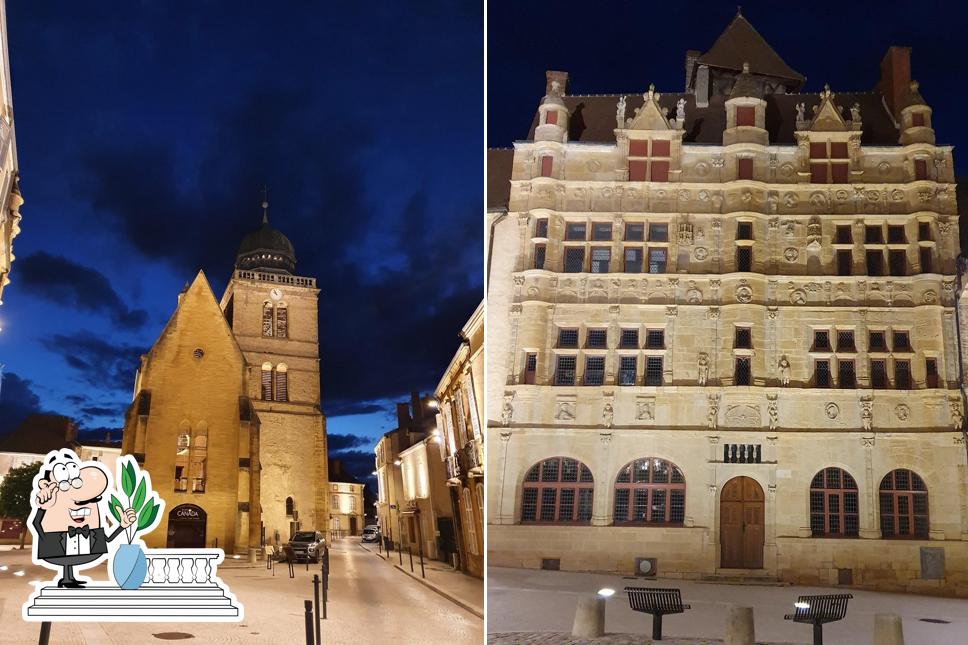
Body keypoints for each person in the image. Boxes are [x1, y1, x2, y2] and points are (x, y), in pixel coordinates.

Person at [30, 450, 137, 588]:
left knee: (70, 558)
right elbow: (35, 522)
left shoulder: (92, 529)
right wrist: (43, 510)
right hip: (58, 540)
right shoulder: (52, 511)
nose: (81, 505)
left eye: (91, 500)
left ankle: (69, 578)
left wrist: (122, 525)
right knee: (65, 557)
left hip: (82, 540)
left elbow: (108, 539)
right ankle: (67, 578)